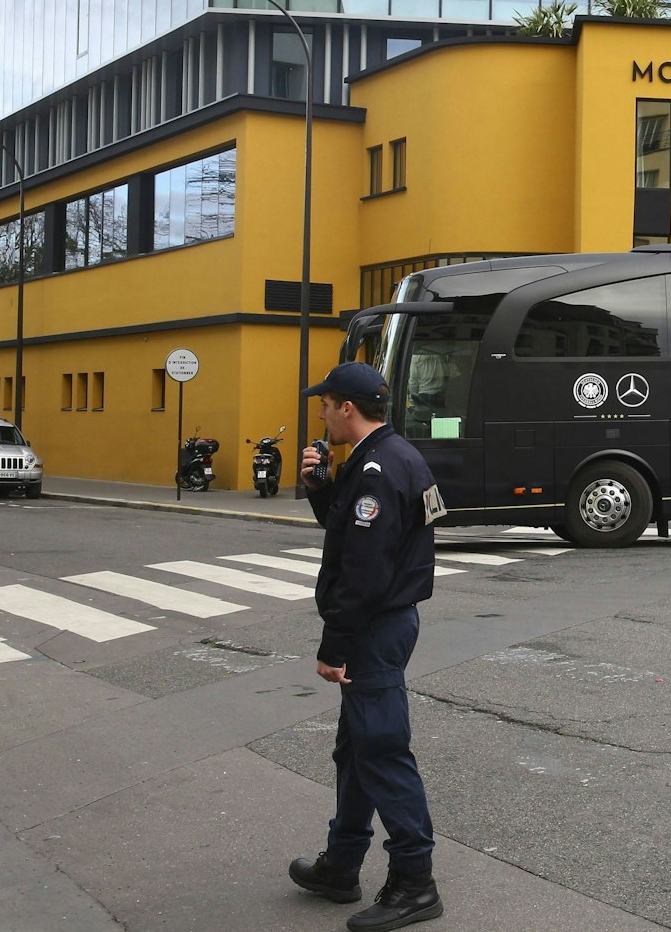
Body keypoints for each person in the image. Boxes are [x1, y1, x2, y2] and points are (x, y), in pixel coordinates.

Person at [286, 361, 447, 930]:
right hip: (387, 621)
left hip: (375, 626)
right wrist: (321, 488)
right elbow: (353, 530)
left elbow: (363, 568)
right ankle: (341, 863)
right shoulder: (395, 456)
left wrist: (335, 645)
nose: (322, 414)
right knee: (356, 750)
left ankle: (414, 881)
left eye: (325, 405)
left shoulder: (378, 469)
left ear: (346, 408)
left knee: (381, 748)